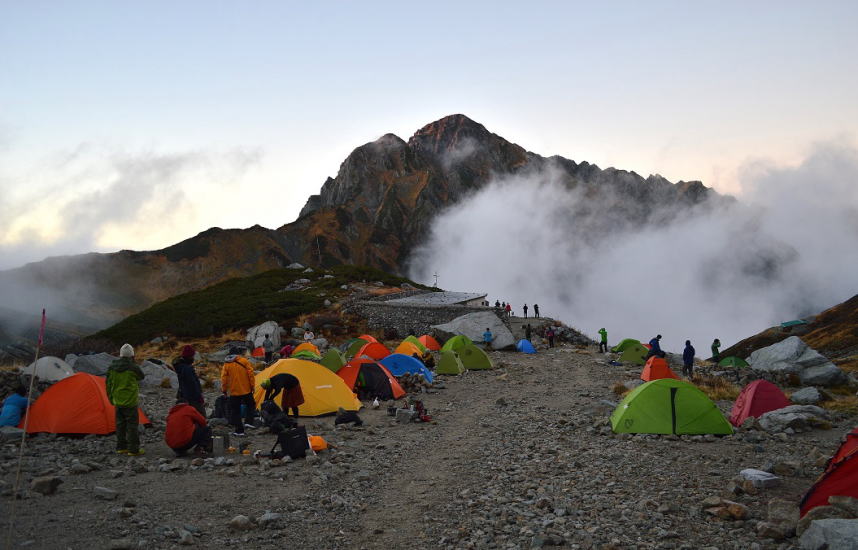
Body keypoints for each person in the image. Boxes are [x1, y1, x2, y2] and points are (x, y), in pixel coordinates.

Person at [106, 344, 145, 455]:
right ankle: (133, 450)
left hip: (117, 401)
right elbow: (141, 376)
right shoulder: (133, 367)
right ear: (132, 355)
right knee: (132, 425)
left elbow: (108, 384)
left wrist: (110, 398)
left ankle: (121, 447)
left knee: (120, 424)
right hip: (130, 401)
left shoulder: (112, 367)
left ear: (120, 354)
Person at [221, 347, 256, 436]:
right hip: (246, 389)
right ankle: (248, 422)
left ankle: (239, 431)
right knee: (251, 404)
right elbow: (251, 374)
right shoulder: (244, 361)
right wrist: (252, 386)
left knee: (235, 411)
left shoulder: (226, 364)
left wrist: (224, 390)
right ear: (238, 354)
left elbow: (224, 379)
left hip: (234, 392)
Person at [174, 345, 205, 417]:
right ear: (188, 356)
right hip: (193, 398)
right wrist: (199, 397)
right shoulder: (187, 369)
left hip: (185, 396)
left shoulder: (181, 367)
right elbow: (192, 385)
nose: (193, 358)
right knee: (201, 416)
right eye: (192, 356)